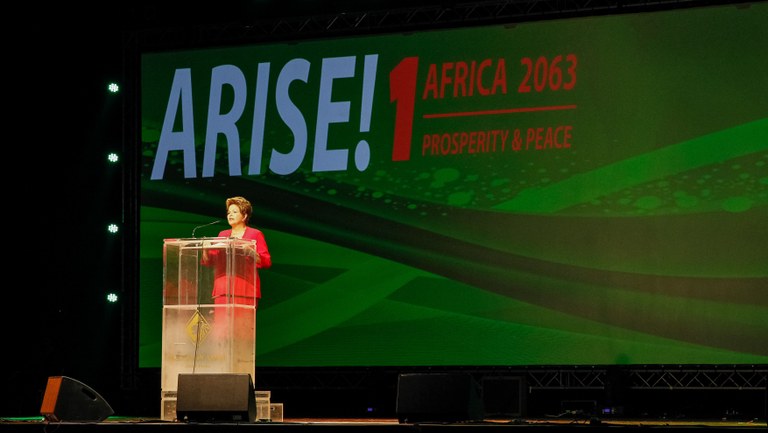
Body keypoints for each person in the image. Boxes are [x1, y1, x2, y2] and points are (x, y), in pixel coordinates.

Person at [202, 196, 272, 309]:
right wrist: (205, 250)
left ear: (244, 216)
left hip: (245, 288)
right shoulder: (222, 234)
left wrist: (251, 252)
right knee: (222, 325)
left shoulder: (255, 234)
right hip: (222, 288)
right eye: (229, 212)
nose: (230, 215)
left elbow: (266, 262)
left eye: (234, 212)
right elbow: (210, 261)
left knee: (242, 325)